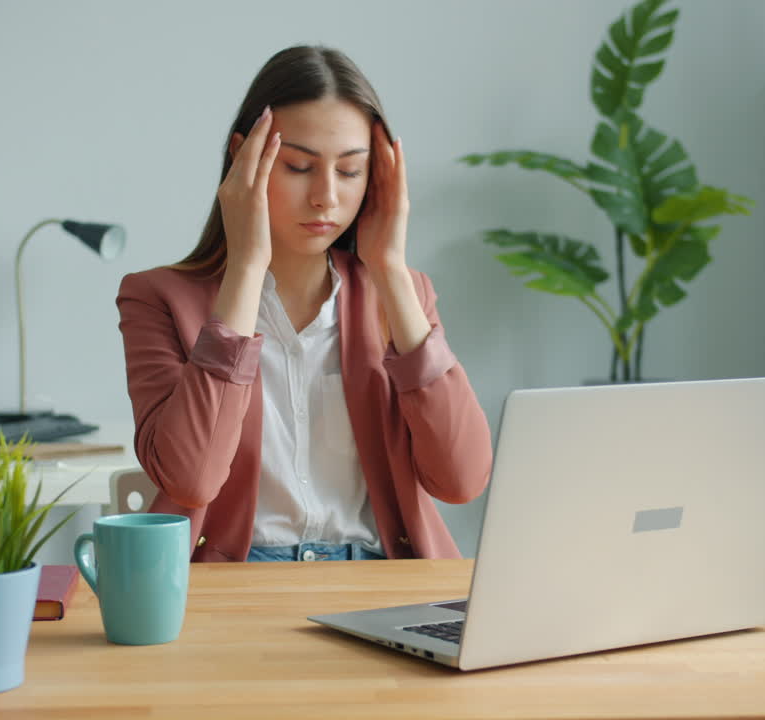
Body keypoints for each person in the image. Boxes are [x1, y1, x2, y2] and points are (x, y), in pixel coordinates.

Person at [116, 45, 492, 562]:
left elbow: (461, 479)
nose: (326, 197)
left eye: (350, 171)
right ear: (243, 158)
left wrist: (390, 272)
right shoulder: (157, 298)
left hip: (381, 583)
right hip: (235, 588)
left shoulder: (406, 296)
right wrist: (246, 268)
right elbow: (192, 478)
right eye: (298, 167)